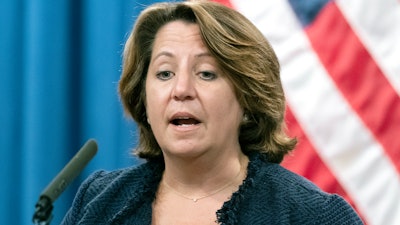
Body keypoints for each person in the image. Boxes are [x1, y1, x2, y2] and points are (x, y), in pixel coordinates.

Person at [61, 1, 364, 224]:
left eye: (206, 73)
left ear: (247, 96)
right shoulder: (99, 201)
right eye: (164, 73)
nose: (181, 89)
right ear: (143, 97)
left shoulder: (314, 216)